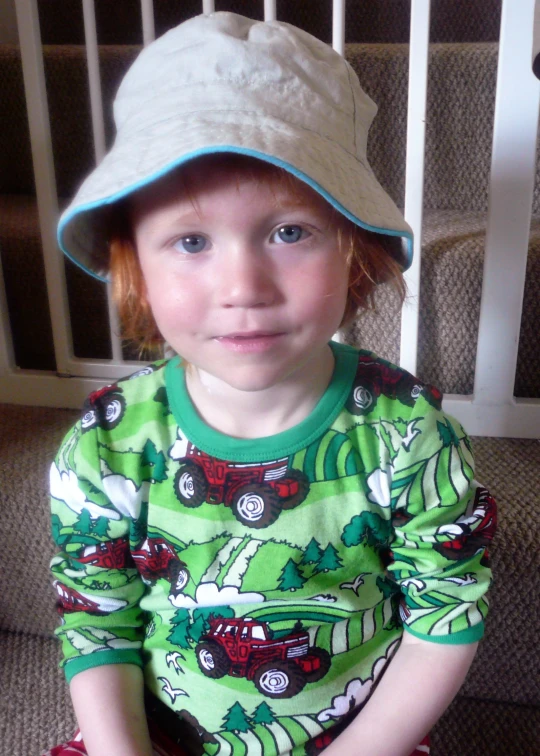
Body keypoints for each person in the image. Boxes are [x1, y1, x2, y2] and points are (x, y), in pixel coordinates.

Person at [44, 12, 497, 756]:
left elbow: (443, 614)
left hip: (355, 737)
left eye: (289, 232)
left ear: (354, 248)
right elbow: (97, 616)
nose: (242, 286)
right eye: (190, 241)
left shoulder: (408, 434)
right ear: (137, 267)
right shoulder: (108, 444)